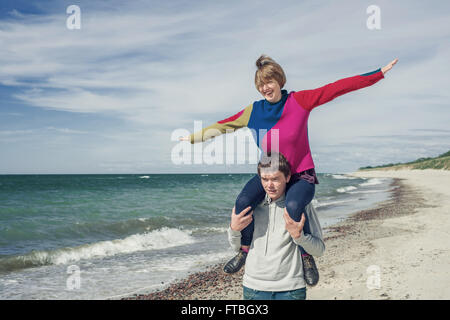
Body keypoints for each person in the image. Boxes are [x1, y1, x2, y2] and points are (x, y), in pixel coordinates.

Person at [181, 55, 398, 285]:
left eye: (269, 81)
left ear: (280, 81)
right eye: (261, 84)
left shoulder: (299, 101)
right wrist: (193, 138)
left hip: (300, 174)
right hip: (271, 173)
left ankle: (306, 256)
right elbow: (224, 125)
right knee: (243, 202)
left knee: (294, 206)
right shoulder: (253, 111)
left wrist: (377, 74)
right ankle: (244, 250)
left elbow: (336, 88)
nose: (265, 87)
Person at [227, 152, 325, 300]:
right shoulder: (251, 206)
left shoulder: (301, 206)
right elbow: (235, 247)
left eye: (275, 179)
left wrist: (299, 237)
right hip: (253, 288)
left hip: (291, 289)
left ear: (287, 177)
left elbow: (319, 250)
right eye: (265, 179)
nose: (269, 185)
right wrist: (234, 230)